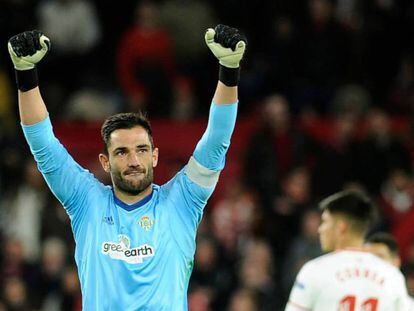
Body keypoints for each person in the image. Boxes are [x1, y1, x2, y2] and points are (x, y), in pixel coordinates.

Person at [7, 25, 246, 310]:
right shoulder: (86, 201)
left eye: (141, 150)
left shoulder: (182, 201)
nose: (133, 160)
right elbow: (44, 147)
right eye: (121, 152)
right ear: (105, 162)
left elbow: (217, 140)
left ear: (155, 156)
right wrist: (26, 77)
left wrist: (229, 71)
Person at [285, 190, 409, 310]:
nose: (320, 229)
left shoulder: (314, 270)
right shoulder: (392, 275)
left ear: (341, 227)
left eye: (325, 222)